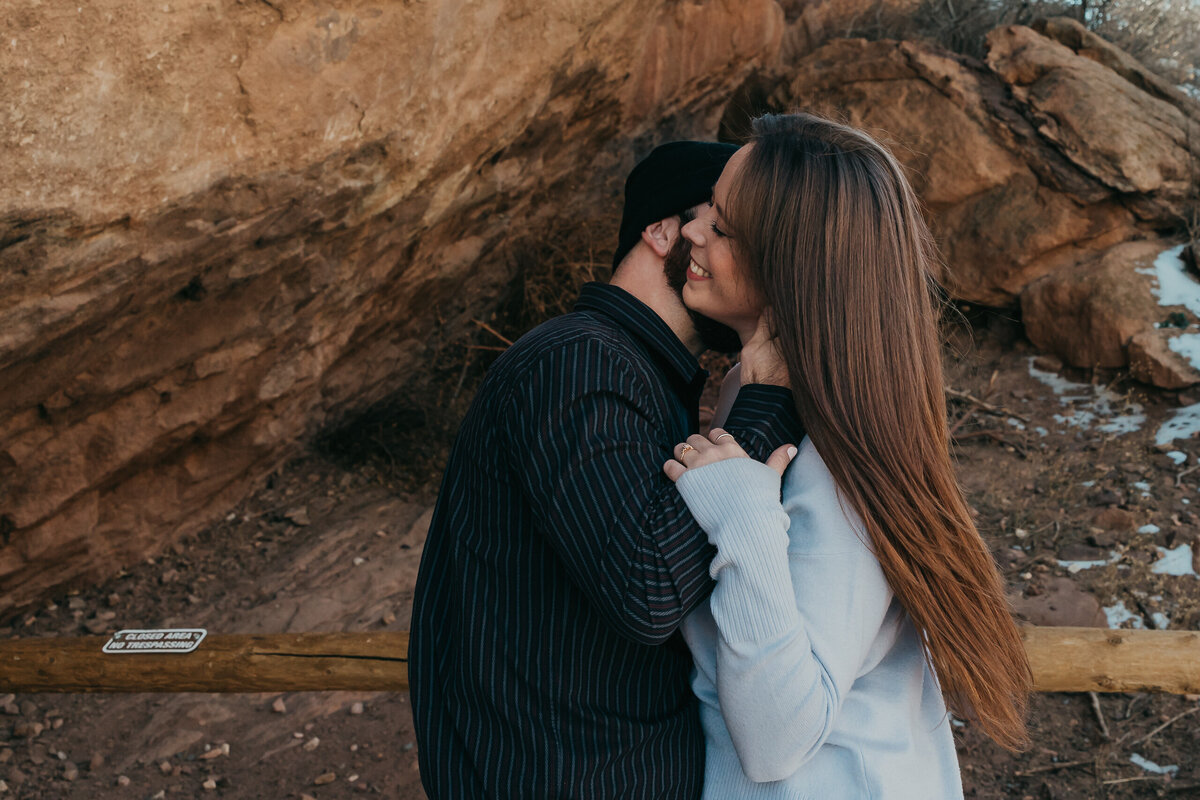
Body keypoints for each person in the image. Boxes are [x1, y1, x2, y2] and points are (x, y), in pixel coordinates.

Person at [409, 140, 806, 799]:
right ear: (660, 232)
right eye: (721, 224)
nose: (740, 254)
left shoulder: (637, 375)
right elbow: (647, 589)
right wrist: (765, 410)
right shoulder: (577, 362)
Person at [662, 113, 1032, 798]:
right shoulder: (760, 388)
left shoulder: (834, 453)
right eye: (706, 209)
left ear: (792, 265)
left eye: (723, 227)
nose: (691, 229)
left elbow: (780, 738)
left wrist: (742, 519)